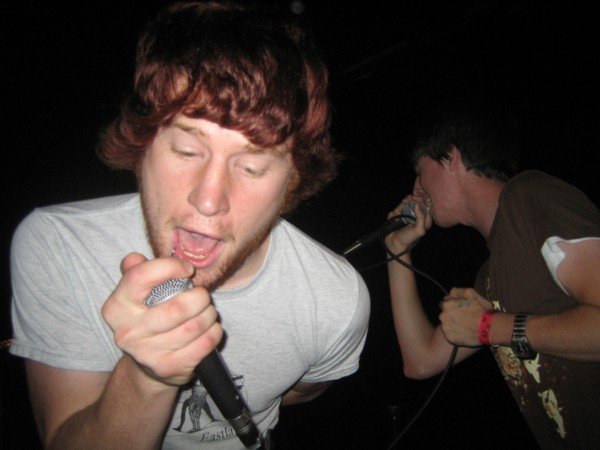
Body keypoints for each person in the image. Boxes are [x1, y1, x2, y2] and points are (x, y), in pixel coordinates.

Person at [9, 2, 370, 449]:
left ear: (292, 183)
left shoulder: (336, 301)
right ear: (142, 147)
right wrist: (147, 377)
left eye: (253, 167)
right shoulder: (57, 246)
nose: (208, 198)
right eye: (185, 149)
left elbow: (304, 391)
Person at [385, 100, 600, 449]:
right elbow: (420, 361)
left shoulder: (530, 195)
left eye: (421, 171)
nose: (417, 188)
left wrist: (490, 327)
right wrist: (396, 250)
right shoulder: (490, 277)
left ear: (451, 157)